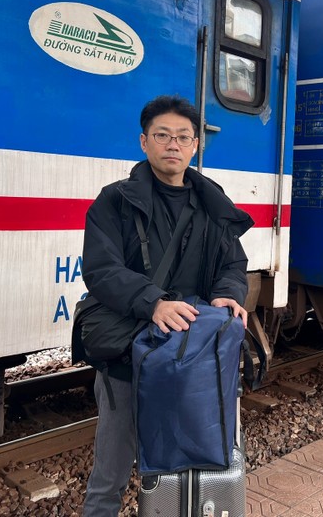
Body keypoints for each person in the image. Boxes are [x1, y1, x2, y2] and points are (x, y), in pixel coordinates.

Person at [80, 95, 253, 516]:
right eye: (162, 135)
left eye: (182, 137)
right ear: (144, 142)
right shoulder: (115, 201)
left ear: (195, 145)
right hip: (128, 350)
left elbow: (233, 262)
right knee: (112, 467)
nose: (172, 144)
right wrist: (153, 301)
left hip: (192, 356)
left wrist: (229, 290)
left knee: (194, 455)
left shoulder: (212, 204)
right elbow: (100, 270)